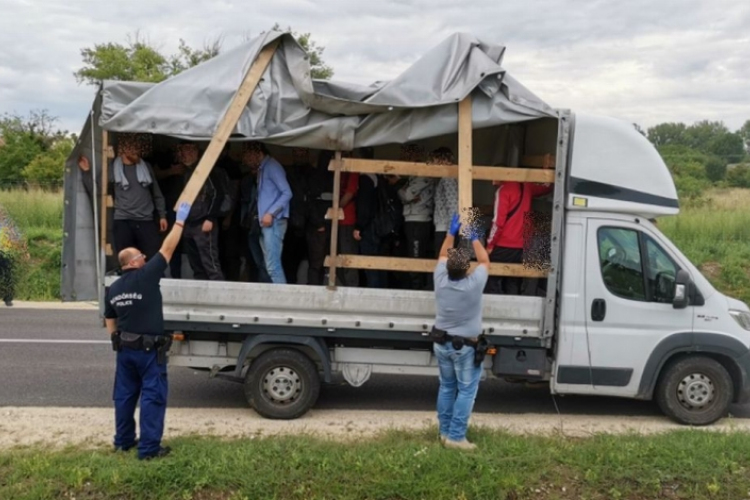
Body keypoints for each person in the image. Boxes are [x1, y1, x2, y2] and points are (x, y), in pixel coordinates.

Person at [104, 200, 192, 460]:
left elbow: (110, 318)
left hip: (126, 351)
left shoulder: (115, 288)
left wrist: (115, 338)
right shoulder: (146, 275)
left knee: (124, 397)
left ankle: (123, 442)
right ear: (134, 262)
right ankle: (149, 450)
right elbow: (168, 247)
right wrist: (179, 221)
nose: (145, 258)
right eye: (142, 256)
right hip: (149, 353)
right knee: (152, 399)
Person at [433, 214, 489, 451]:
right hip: (465, 346)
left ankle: (445, 432)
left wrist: (450, 233)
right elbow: (485, 261)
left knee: (447, 387)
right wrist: (475, 237)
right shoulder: (473, 284)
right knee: (466, 390)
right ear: (467, 269)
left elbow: (443, 255)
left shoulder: (440, 279)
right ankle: (456, 437)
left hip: (442, 342)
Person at [485, 177, 552, 295]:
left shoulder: (503, 191)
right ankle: (512, 310)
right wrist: (546, 171)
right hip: (522, 245)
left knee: (491, 279)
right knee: (513, 281)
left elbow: (498, 222)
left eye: (493, 178)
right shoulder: (527, 187)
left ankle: (492, 311)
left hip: (503, 244)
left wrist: (490, 245)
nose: (492, 182)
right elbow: (546, 188)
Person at [110, 134, 168, 259]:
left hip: (145, 219)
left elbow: (156, 192)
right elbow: (99, 186)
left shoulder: (145, 166)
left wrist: (162, 215)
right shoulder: (113, 168)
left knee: (153, 258)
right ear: (123, 150)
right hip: (123, 220)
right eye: (131, 147)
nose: (135, 151)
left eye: (137, 148)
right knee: (126, 259)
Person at [244, 142, 292, 284]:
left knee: (272, 267)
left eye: (249, 155)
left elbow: (287, 193)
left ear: (259, 153)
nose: (246, 160)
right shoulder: (263, 168)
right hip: (267, 223)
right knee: (270, 265)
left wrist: (270, 213)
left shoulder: (272, 166)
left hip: (274, 222)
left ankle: (282, 300)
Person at [179, 142, 226, 281]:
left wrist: (210, 218)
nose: (185, 154)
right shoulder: (187, 171)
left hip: (203, 222)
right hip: (189, 222)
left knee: (210, 263)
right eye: (183, 150)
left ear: (196, 152)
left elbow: (218, 194)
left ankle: (219, 297)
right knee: (196, 265)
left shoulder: (206, 171)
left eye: (189, 150)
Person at [398, 144, 435, 290]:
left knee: (416, 256)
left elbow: (405, 194)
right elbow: (403, 195)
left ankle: (417, 290)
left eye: (406, 156)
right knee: (411, 254)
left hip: (419, 220)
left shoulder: (423, 173)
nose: (403, 160)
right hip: (412, 219)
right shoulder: (413, 175)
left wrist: (404, 191)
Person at [354, 148, 386, 288]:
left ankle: (374, 291)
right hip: (378, 224)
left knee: (369, 263)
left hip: (368, 227)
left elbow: (364, 207)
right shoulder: (376, 177)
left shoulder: (365, 179)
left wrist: (359, 227)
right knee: (377, 262)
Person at [239, 147, 271, 283]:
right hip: (251, 223)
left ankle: (267, 288)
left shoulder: (271, 175)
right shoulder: (246, 179)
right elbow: (245, 199)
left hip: (266, 223)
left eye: (254, 156)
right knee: (254, 259)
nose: (251, 160)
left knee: (266, 260)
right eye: (248, 156)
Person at [282, 148, 312, 284]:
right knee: (289, 261)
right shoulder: (287, 172)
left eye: (302, 153)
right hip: (290, 222)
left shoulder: (313, 174)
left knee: (311, 260)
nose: (299, 156)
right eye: (296, 153)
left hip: (309, 222)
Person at [306, 151, 335, 285]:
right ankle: (313, 290)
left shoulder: (325, 176)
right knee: (317, 262)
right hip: (319, 225)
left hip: (324, 224)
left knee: (321, 262)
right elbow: (310, 202)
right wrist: (318, 224)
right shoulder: (319, 177)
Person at [337, 153, 360, 287]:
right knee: (339, 257)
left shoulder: (353, 167)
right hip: (339, 220)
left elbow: (350, 193)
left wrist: (336, 207)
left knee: (348, 257)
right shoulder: (342, 170)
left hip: (347, 219)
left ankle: (352, 289)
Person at [431, 147, 459, 257]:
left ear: (442, 161)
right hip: (446, 227)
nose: (433, 165)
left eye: (434, 161)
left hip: (445, 228)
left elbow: (453, 205)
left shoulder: (448, 178)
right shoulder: (448, 177)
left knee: (443, 261)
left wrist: (450, 232)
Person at [0, 208, 25, 307]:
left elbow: (17, 237)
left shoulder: (8, 226)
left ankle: (8, 298)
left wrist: (23, 250)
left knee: (8, 277)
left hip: (6, 254)